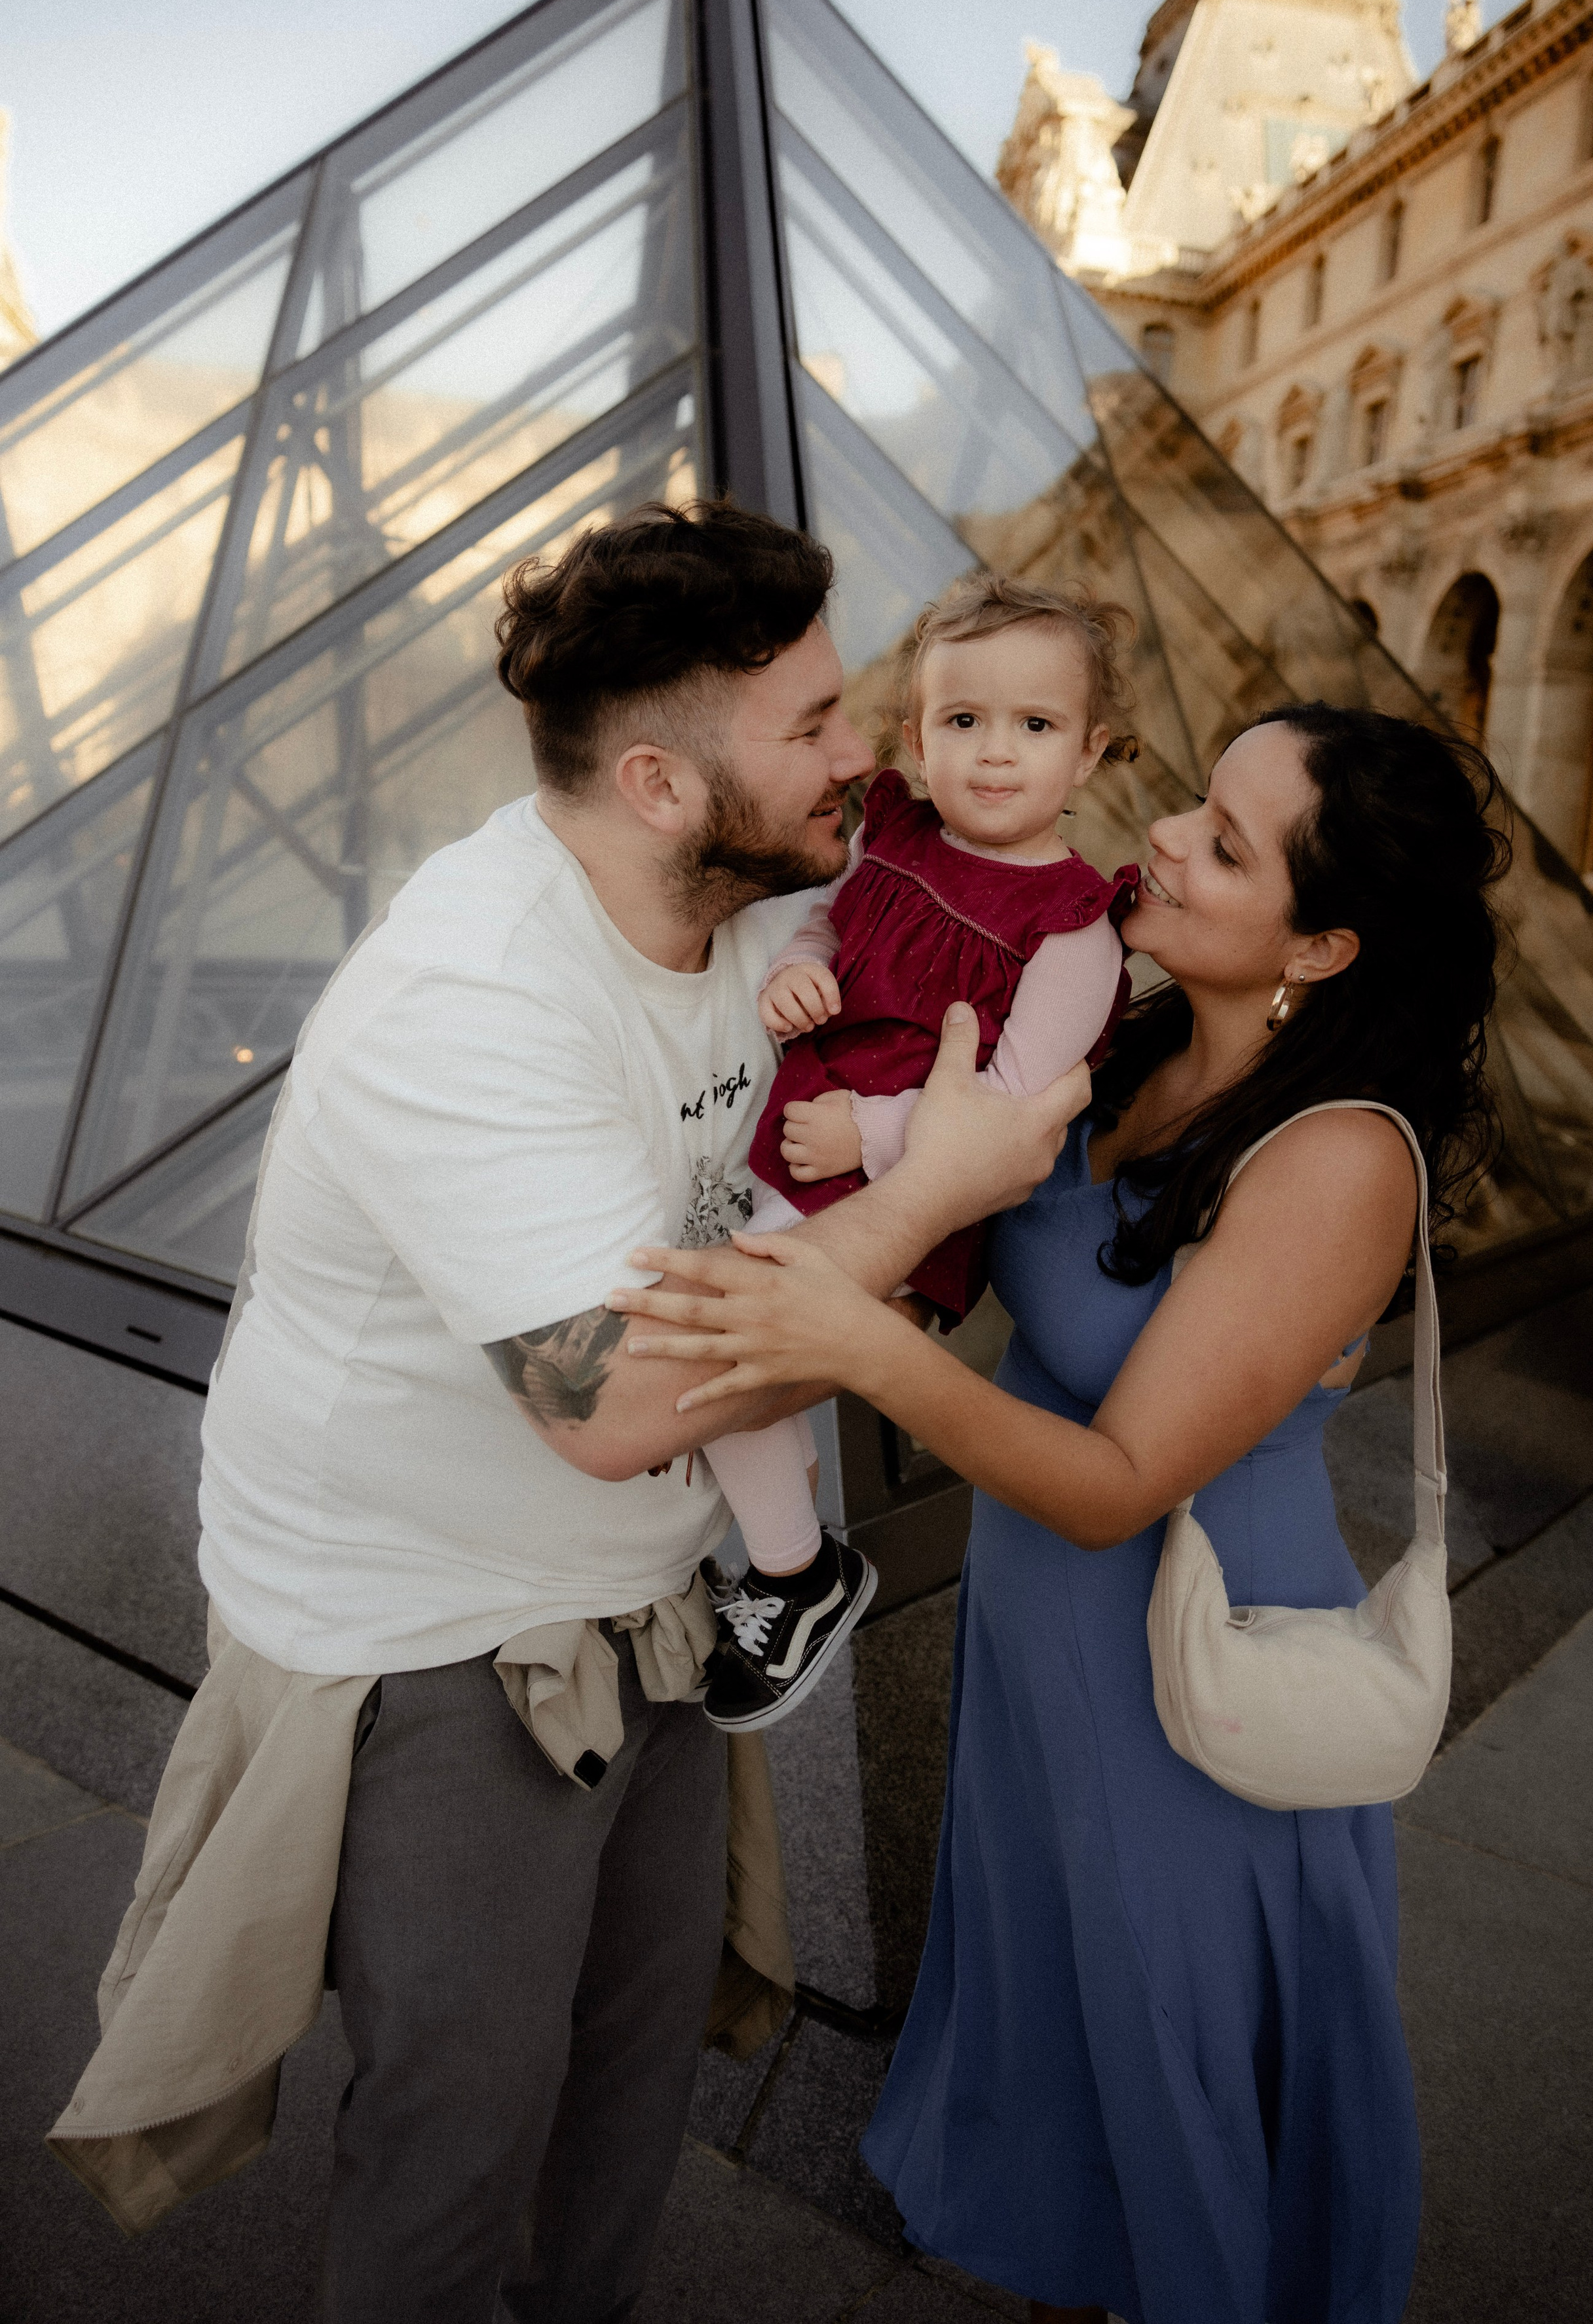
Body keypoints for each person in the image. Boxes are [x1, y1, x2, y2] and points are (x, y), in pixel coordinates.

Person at [185, 498, 1086, 2323]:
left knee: (631, 2072)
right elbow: (626, 1406)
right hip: (441, 1637)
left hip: (666, 1599)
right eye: (823, 728)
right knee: (460, 2130)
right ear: (668, 786)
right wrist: (930, 1192)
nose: (874, 754)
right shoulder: (472, 1001)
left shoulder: (770, 904)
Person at [616, 700, 1510, 2324]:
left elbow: (1114, 1485)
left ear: (1319, 944)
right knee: (1071, 2018)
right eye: (1190, 804)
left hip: (1188, 1667)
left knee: (1166, 2047)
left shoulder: (1333, 1161)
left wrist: (859, 1349)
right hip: (1045, 1642)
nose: (1159, 835)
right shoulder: (1135, 1036)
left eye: (1223, 846)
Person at [697, 573, 1141, 1733]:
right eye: (963, 722)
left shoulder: (1075, 930)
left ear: (1089, 755)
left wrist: (873, 1131)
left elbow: (1015, 1111)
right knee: (723, 1342)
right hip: (801, 1132)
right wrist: (801, 962)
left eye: (1035, 728)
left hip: (895, 1181)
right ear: (913, 738)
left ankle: (796, 1574)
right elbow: (826, 921)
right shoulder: (886, 831)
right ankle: (769, 1522)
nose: (995, 756)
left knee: (723, 1349)